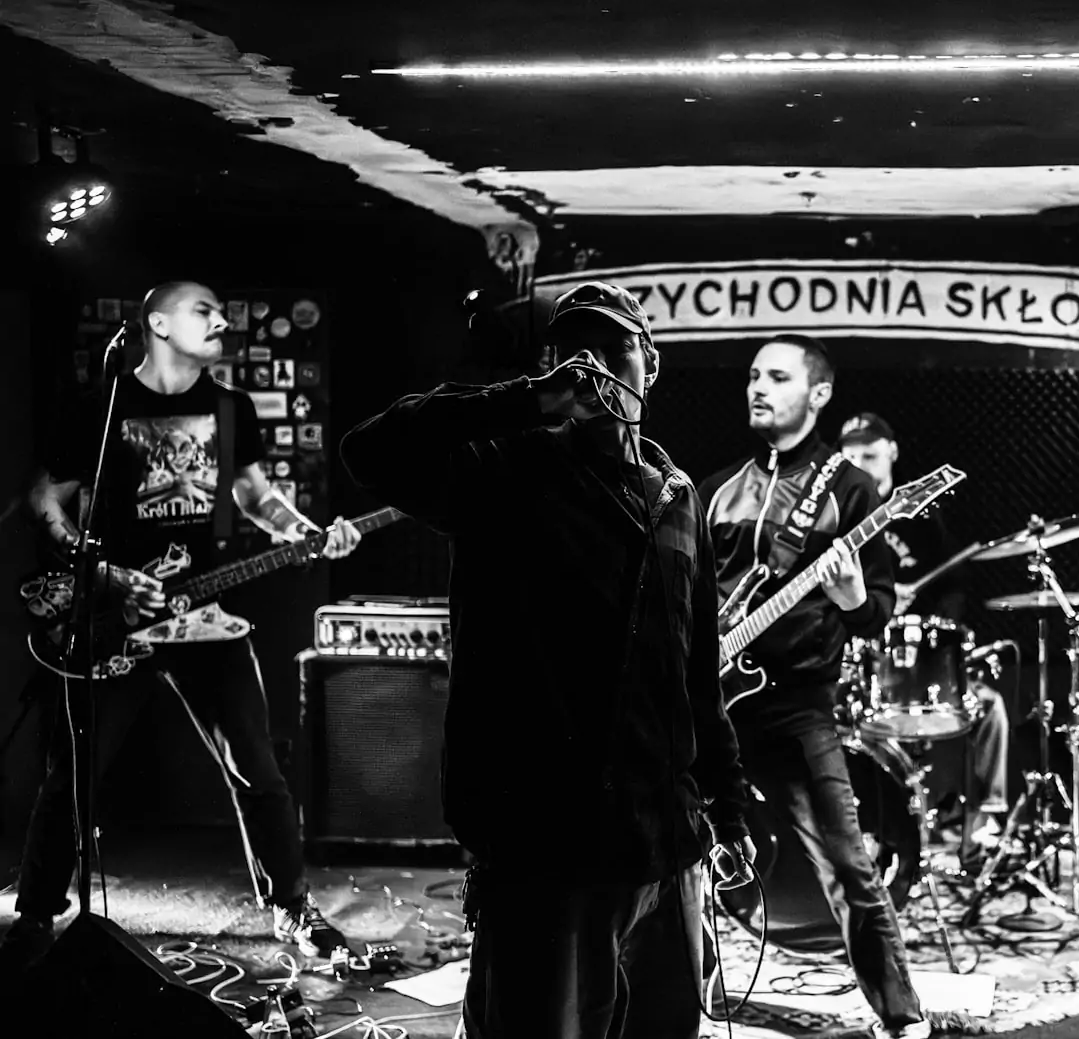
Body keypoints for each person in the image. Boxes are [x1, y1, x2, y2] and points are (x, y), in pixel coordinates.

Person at [341, 280, 755, 1039]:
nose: (592, 366)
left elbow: (697, 672)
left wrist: (726, 806)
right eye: (572, 352)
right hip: (548, 852)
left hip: (664, 847)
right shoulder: (504, 471)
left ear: (650, 363)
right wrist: (527, 400)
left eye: (612, 348)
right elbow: (369, 450)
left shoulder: (677, 495)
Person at [1, 281, 362, 973]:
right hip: (120, 617)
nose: (222, 320)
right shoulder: (102, 408)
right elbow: (44, 498)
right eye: (205, 311)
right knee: (72, 775)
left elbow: (253, 494)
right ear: (158, 324)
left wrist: (304, 532)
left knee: (258, 767)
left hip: (206, 614)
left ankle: (292, 906)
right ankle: (37, 913)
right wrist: (103, 574)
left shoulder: (231, 406)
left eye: (221, 311)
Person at [699, 337, 929, 1039]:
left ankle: (902, 1017)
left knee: (847, 861)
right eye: (752, 376)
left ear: (819, 393)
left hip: (798, 706)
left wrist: (854, 595)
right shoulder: (715, 490)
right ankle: (687, 995)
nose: (758, 387)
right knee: (682, 856)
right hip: (710, 704)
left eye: (777, 376)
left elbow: (877, 608)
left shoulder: (850, 489)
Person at [838, 412, 1010, 855]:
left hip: (916, 661)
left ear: (893, 452)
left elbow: (955, 591)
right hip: (857, 666)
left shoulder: (921, 520)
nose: (860, 466)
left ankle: (985, 824)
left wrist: (933, 620)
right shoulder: (835, 519)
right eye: (851, 457)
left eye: (870, 455)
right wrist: (875, 599)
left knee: (990, 707)